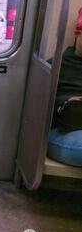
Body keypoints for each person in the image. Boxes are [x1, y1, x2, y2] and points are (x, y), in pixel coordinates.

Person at [47, 17, 82, 166]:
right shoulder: (53, 66)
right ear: (77, 33)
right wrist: (66, 101)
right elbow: (34, 108)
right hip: (63, 130)